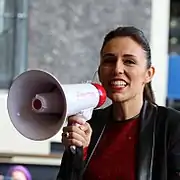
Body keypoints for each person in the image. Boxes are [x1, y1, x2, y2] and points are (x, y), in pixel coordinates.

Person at [56, 26, 180, 180]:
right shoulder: (89, 124)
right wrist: (77, 154)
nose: (117, 69)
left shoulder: (172, 126)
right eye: (109, 60)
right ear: (100, 72)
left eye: (129, 61)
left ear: (148, 74)